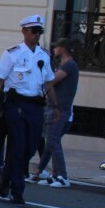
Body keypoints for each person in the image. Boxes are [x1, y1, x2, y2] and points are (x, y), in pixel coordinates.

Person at [0, 14, 57, 205]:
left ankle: (6, 173)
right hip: (15, 106)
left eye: (39, 32)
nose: (37, 35)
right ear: (24, 32)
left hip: (35, 106)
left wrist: (56, 106)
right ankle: (17, 190)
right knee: (18, 146)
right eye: (34, 31)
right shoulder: (12, 54)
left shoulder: (43, 55)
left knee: (30, 147)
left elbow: (49, 83)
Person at [33, 37, 79, 188]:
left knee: (52, 141)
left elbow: (51, 80)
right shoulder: (63, 65)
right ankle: (54, 175)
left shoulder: (70, 65)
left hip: (60, 109)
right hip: (52, 107)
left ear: (63, 49)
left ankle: (63, 176)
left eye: (56, 47)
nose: (54, 49)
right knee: (52, 142)